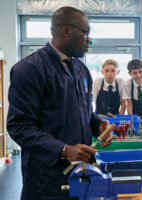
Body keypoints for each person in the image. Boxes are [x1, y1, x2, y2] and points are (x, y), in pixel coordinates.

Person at [6, 6, 113, 200]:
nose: (89, 40)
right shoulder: (29, 70)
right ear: (66, 31)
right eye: (85, 33)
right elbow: (19, 125)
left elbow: (84, 113)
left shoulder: (82, 70)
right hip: (46, 181)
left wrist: (98, 124)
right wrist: (63, 150)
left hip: (80, 174)